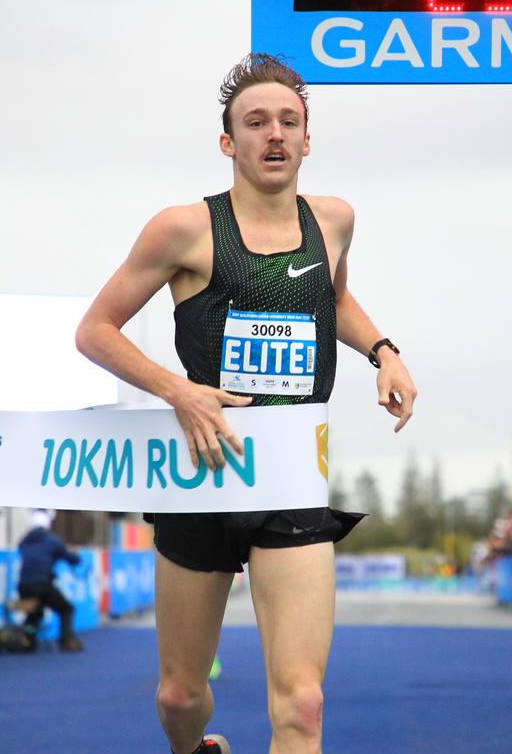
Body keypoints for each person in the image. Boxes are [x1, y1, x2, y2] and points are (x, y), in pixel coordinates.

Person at [76, 53, 417, 754]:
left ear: (308, 139)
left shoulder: (335, 221)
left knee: (304, 704)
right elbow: (94, 331)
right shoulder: (184, 229)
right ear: (228, 141)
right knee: (178, 695)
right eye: (256, 122)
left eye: (289, 121)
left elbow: (334, 296)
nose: (275, 134)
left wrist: (384, 351)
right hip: (201, 474)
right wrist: (178, 389)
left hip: (290, 476)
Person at [16, 510, 83, 652]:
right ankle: (67, 641)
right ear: (48, 523)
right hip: (42, 584)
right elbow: (72, 559)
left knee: (35, 611)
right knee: (66, 609)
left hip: (23, 586)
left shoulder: (24, 540)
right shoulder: (52, 540)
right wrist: (75, 555)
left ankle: (27, 641)